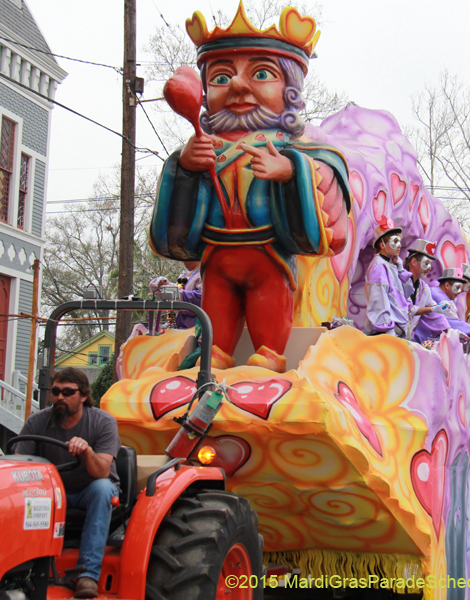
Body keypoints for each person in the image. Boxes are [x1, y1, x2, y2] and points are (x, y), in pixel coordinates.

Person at [150, 4, 351, 372]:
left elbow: (328, 174)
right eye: (222, 78)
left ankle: (268, 364)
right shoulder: (204, 146)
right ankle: (211, 364)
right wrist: (184, 166)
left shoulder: (292, 147)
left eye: (260, 73)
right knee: (215, 326)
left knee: (269, 313)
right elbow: (178, 215)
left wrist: (291, 170)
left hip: (268, 257)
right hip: (217, 259)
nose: (239, 86)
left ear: (289, 89)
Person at [15, 367, 121, 599]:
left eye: (67, 392)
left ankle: (87, 574)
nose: (60, 397)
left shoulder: (102, 422)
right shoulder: (37, 422)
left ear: (83, 395)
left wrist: (86, 451)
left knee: (102, 489)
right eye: (56, 391)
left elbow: (102, 472)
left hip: (90, 490)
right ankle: (22, 567)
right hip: (52, 492)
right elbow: (20, 466)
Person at [364, 220, 441, 338]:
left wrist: (400, 268)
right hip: (387, 333)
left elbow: (406, 294)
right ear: (382, 244)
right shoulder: (379, 267)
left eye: (399, 241)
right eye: (395, 241)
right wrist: (388, 331)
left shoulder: (390, 266)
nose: (400, 245)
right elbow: (378, 303)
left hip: (398, 331)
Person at [401, 239, 450, 341]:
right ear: (414, 262)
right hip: (390, 335)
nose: (429, 268)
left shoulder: (424, 288)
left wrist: (449, 331)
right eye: (426, 263)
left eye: (430, 264)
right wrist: (433, 309)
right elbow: (407, 309)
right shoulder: (399, 280)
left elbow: (434, 314)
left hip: (406, 338)